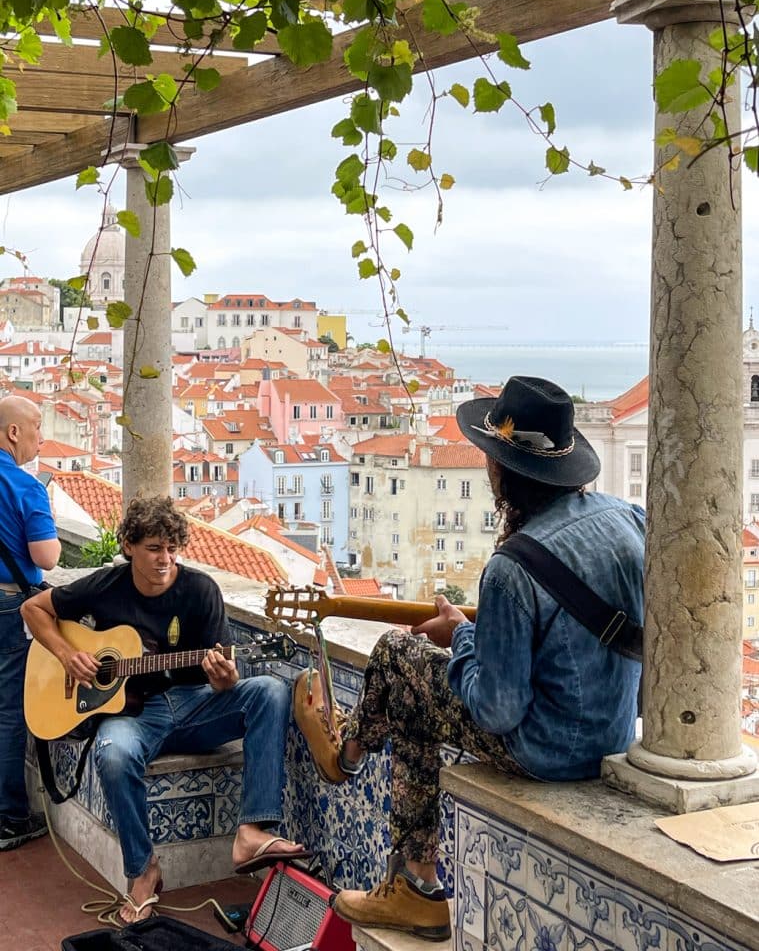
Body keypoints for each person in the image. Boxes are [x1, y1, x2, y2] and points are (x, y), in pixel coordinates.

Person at [294, 376, 645, 941]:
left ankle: (391, 834)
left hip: (549, 751)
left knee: (399, 657)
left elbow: (499, 710)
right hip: (614, 734)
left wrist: (459, 638)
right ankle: (368, 792)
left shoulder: (512, 568)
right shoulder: (628, 520)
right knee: (407, 674)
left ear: (503, 470)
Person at [21, 495, 305, 924]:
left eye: (172, 549)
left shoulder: (200, 590)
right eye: (154, 548)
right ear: (129, 545)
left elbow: (225, 678)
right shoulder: (106, 586)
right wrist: (65, 654)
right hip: (133, 715)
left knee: (269, 689)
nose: (165, 559)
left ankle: (252, 832)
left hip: (194, 706)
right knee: (112, 754)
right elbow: (33, 608)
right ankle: (142, 870)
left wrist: (224, 678)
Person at [0, 394, 60, 853]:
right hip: (9, 608)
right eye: (37, 425)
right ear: (13, 432)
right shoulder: (25, 486)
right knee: (7, 713)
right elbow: (47, 557)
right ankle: (11, 816)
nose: (43, 435)